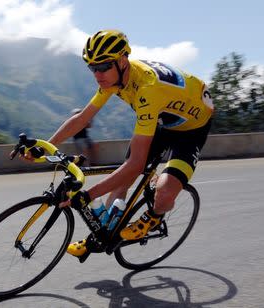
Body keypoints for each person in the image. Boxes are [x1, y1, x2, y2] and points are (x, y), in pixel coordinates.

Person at [18, 29, 214, 257]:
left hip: (191, 129)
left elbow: (136, 164)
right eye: (92, 68)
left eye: (103, 67)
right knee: (122, 181)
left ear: (122, 61)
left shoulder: (147, 90)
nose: (97, 74)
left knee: (163, 192)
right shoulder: (114, 79)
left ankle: (153, 217)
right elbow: (82, 119)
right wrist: (45, 146)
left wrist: (88, 195)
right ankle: (103, 234)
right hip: (163, 121)